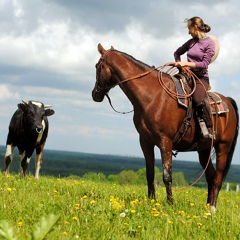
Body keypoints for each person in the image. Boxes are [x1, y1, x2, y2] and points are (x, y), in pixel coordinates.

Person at [174, 16, 215, 139]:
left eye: (189, 28)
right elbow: (177, 52)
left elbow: (204, 64)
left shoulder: (209, 43)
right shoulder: (191, 42)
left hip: (200, 78)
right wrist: (179, 63)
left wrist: (185, 63)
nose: (188, 32)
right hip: (186, 75)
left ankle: (208, 127)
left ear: (195, 27)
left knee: (198, 100)